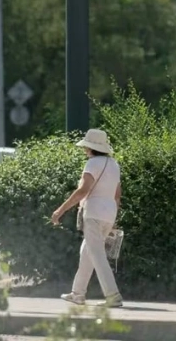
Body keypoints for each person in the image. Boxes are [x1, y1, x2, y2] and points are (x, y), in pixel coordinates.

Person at [51, 129, 123, 308]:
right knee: (87, 253)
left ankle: (113, 295)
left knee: (97, 255)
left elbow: (83, 191)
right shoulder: (114, 164)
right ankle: (78, 293)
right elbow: (117, 194)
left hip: (93, 213)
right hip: (109, 213)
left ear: (90, 149)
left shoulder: (92, 164)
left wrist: (60, 210)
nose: (84, 151)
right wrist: (113, 217)